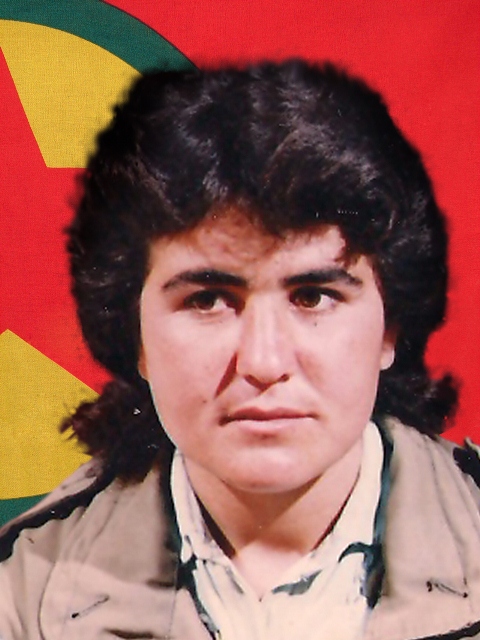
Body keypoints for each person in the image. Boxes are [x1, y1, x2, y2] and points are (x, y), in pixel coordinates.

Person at [1, 59, 480, 640]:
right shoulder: (22, 594)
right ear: (135, 337)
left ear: (390, 330)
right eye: (207, 301)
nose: (263, 363)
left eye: (313, 296)